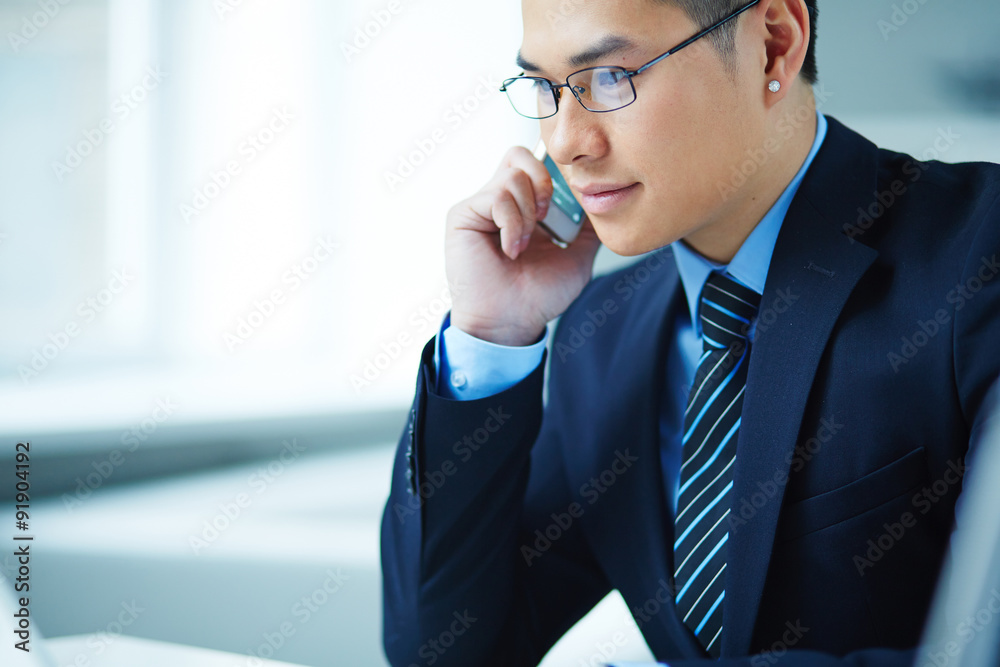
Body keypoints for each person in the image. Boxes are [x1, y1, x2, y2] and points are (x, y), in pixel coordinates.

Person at [380, 0, 1000, 665]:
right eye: (544, 87)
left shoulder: (978, 251)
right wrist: (492, 331)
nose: (564, 143)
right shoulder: (602, 334)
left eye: (612, 77)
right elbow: (442, 652)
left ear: (773, 44)